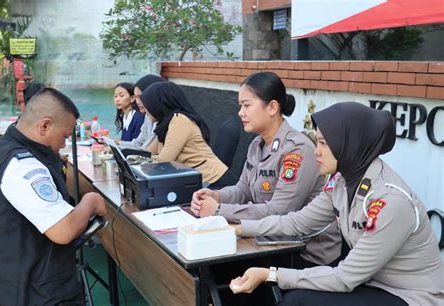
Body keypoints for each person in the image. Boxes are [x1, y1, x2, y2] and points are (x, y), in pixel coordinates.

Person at [229, 102, 444, 305]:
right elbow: (298, 222)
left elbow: (344, 278)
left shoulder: (390, 201)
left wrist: (271, 274)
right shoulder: (343, 180)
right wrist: (239, 229)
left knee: (297, 300)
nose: (316, 151)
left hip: (410, 297)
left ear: (349, 144)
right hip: (371, 282)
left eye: (323, 143)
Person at [191, 71, 341, 267]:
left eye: (246, 105)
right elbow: (243, 189)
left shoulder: (297, 151)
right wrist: (216, 196)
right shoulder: (256, 144)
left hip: (305, 252)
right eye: (240, 106)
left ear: (272, 107)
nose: (240, 112)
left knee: (219, 268)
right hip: (267, 241)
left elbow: (278, 211)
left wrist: (219, 210)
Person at [0, 88, 107, 305]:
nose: (64, 144)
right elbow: (64, 230)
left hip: (8, 284)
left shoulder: (0, 149)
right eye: (63, 136)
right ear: (44, 126)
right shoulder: (22, 165)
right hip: (30, 294)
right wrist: (90, 201)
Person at [140, 81, 236, 189]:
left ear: (158, 104)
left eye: (148, 105)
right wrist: (136, 157)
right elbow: (147, 152)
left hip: (215, 183)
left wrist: (137, 160)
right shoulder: (165, 124)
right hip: (197, 181)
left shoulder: (179, 120)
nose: (145, 111)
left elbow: (164, 160)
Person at [118, 74, 164, 150]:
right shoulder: (148, 116)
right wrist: (117, 145)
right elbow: (138, 143)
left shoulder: (168, 121)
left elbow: (148, 151)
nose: (138, 102)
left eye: (141, 97)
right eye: (136, 97)